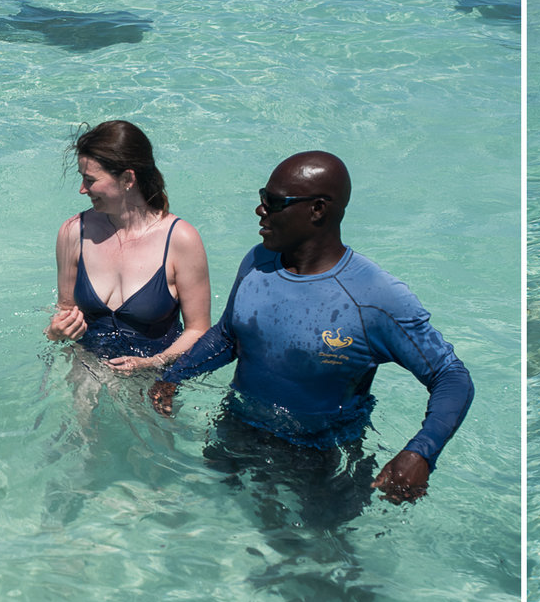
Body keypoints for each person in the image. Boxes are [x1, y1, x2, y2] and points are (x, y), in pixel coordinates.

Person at [148, 151, 472, 514]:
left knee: (313, 565)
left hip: (322, 458)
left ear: (318, 209)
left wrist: (420, 454)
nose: (260, 211)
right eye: (262, 198)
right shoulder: (258, 262)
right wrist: (173, 377)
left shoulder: (375, 299)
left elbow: (451, 377)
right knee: (211, 525)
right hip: (237, 429)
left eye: (273, 202)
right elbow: (228, 336)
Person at [44, 121, 212, 372]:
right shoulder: (73, 233)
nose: (82, 190)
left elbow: (199, 330)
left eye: (90, 180)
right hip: (86, 369)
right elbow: (65, 309)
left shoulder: (181, 240)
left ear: (127, 179)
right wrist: (55, 330)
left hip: (152, 376)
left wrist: (152, 363)